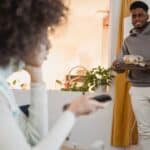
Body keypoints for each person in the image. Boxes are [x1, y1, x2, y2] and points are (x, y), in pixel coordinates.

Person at [0, 0, 103, 150]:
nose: (48, 44)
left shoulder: (4, 87)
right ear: (20, 34)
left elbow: (35, 140)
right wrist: (72, 112)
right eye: (42, 34)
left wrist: (37, 78)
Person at [112, 1, 150, 149]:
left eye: (140, 15)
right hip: (138, 89)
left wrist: (145, 65)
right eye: (134, 16)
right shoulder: (128, 40)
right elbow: (121, 67)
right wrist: (117, 66)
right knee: (145, 130)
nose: (137, 19)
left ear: (147, 16)